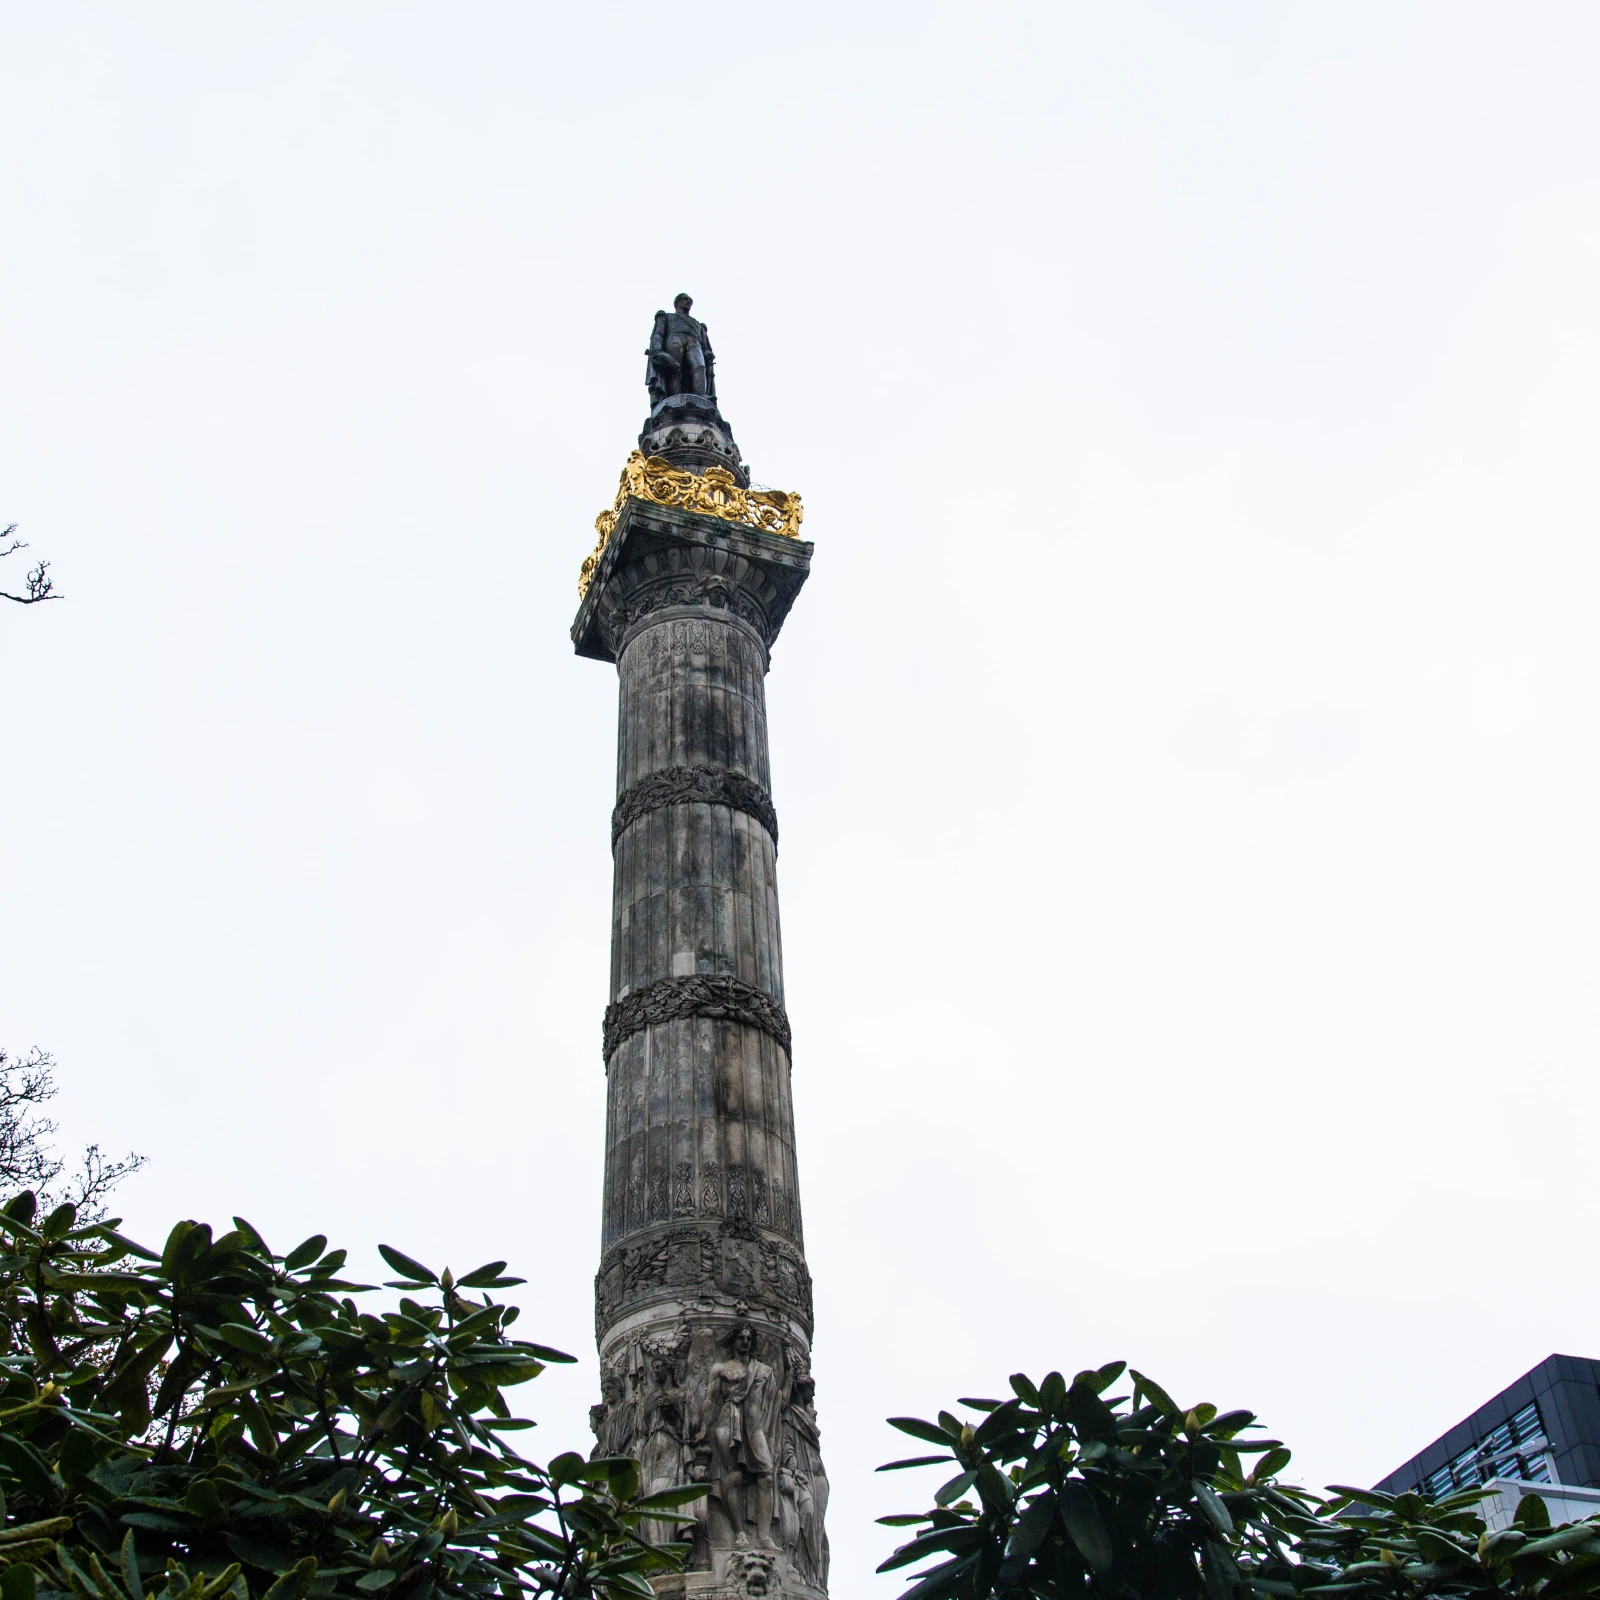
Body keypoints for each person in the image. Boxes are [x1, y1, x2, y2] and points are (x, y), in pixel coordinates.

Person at [697, 1322, 778, 1544]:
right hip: (728, 1420)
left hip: (754, 1427)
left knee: (766, 1476)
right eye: (741, 1337)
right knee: (733, 1476)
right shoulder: (721, 1369)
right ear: (734, 1340)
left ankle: (763, 1535)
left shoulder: (763, 1370)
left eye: (748, 1338)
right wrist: (704, 1428)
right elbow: (711, 1400)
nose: (744, 1341)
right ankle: (739, 1532)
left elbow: (773, 1404)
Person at [646, 294, 717, 406]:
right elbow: (658, 334)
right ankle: (675, 397)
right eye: (685, 299)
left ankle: (701, 393)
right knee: (675, 368)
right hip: (674, 338)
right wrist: (658, 349)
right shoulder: (667, 317)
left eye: (690, 301)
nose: (688, 302)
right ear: (677, 302)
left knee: (700, 366)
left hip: (694, 341)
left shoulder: (698, 325)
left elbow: (706, 346)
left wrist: (708, 353)